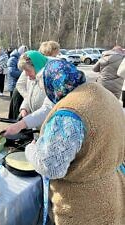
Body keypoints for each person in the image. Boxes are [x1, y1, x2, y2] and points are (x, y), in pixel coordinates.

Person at [25, 60, 124, 225]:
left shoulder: (68, 113)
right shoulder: (103, 94)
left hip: (83, 205)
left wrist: (31, 149)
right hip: (114, 190)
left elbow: (52, 167)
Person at [7, 45, 26, 119]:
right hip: (14, 84)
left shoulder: (19, 58)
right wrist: (24, 73)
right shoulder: (13, 59)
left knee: (17, 105)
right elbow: (12, 72)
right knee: (15, 105)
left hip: (18, 84)